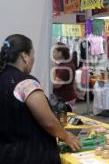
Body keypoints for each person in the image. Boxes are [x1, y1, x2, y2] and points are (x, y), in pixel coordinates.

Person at [0, 34, 80, 163]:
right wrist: (66, 136)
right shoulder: (25, 83)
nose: (33, 59)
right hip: (31, 154)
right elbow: (48, 121)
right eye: (33, 54)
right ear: (25, 57)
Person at [52, 42, 78, 111]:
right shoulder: (66, 64)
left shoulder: (65, 67)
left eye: (54, 52)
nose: (52, 54)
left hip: (65, 99)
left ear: (60, 53)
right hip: (65, 98)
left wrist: (53, 67)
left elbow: (55, 84)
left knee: (64, 119)